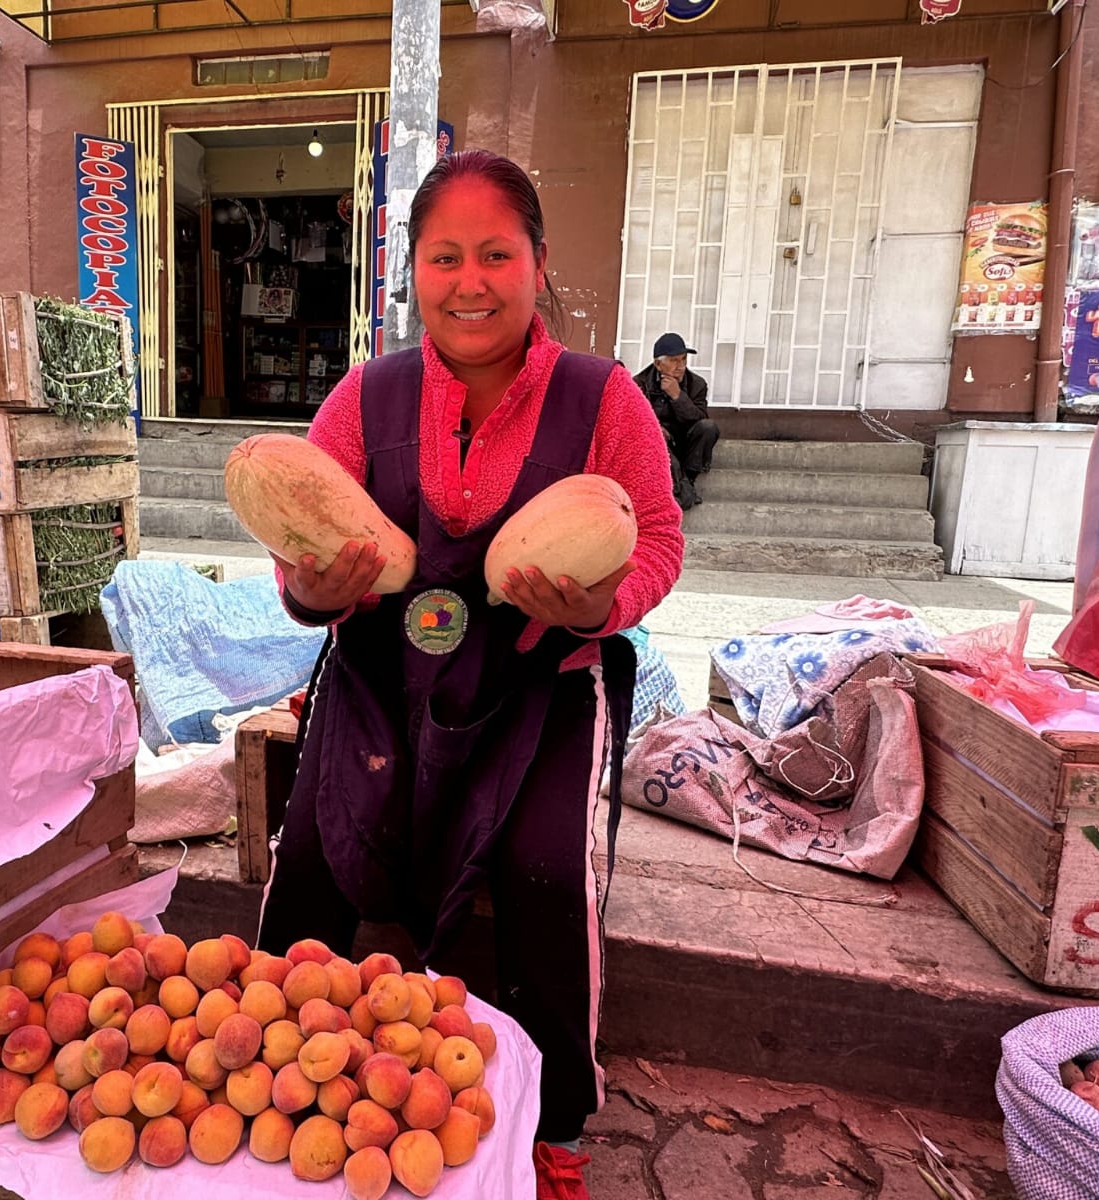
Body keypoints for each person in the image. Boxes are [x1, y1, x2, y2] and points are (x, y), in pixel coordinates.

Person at [256, 148, 684, 1200]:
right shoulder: (366, 397)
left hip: (544, 687)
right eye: (444, 257)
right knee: (310, 854)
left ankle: (555, 1128)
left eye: (496, 254)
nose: (470, 282)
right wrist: (312, 590)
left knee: (542, 871)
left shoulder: (603, 399)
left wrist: (599, 609)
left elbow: (659, 540)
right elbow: (298, 552)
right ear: (413, 271)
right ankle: (268, 1072)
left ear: (538, 262)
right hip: (380, 684)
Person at [632, 333, 719, 509]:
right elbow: (635, 419)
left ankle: (687, 482)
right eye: (673, 360)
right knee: (654, 436)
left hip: (685, 441)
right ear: (658, 364)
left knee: (708, 427)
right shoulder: (639, 383)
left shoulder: (697, 384)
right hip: (658, 444)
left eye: (683, 359)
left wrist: (678, 396)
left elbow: (700, 419)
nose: (680, 366)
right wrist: (656, 428)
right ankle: (683, 489)